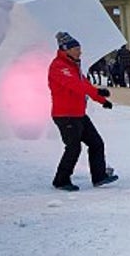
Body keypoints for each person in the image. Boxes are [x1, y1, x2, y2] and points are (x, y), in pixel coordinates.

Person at [48, 31, 116, 191]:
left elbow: (86, 86)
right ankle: (61, 180)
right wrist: (97, 94)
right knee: (73, 147)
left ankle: (99, 176)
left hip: (78, 114)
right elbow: (76, 86)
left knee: (96, 143)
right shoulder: (59, 67)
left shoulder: (74, 67)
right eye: (77, 48)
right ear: (66, 50)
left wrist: (101, 99)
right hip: (65, 115)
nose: (80, 51)